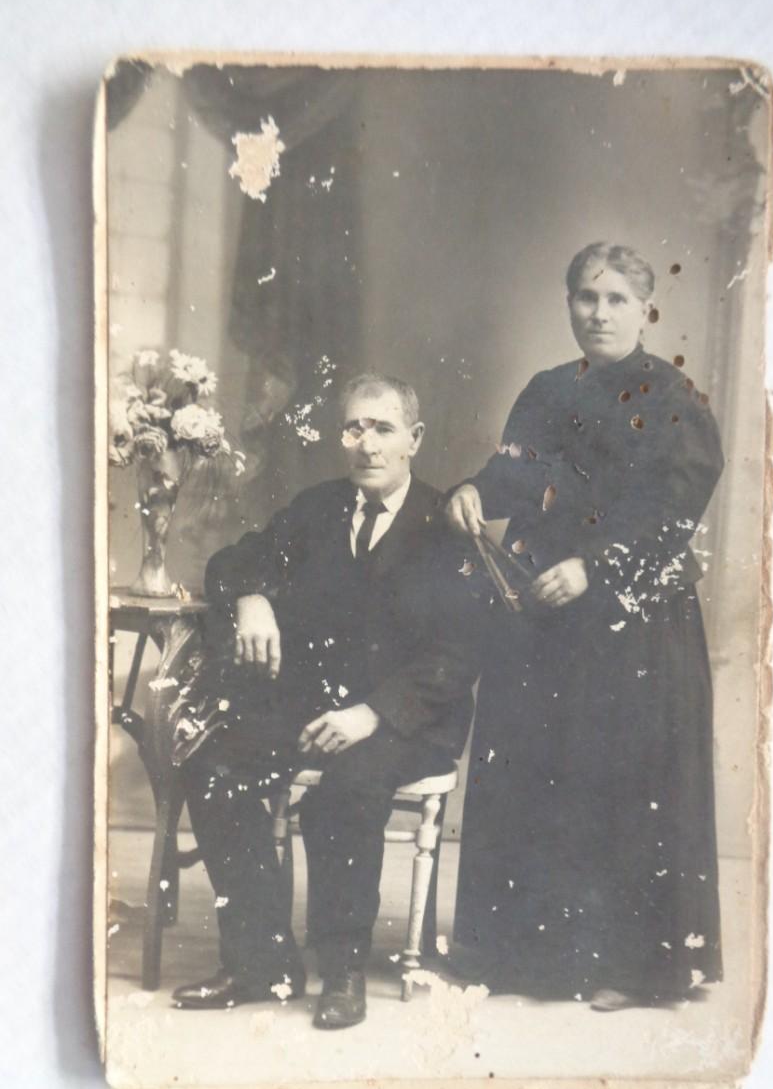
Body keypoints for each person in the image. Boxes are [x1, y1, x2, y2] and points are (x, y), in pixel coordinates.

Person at [446, 241, 725, 1009]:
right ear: (569, 303)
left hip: (634, 617)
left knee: (621, 779)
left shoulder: (676, 397)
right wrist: (473, 492)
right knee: (537, 766)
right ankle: (526, 957)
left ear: (645, 310)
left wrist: (594, 568)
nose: (598, 313)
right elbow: (512, 473)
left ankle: (631, 968)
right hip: (544, 609)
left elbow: (674, 506)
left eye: (615, 300)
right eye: (586, 298)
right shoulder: (545, 390)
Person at [173, 374, 481, 1028]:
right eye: (354, 428)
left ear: (414, 439)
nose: (367, 444)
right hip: (315, 707)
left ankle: (342, 970)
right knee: (214, 766)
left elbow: (459, 654)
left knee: (347, 787)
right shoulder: (318, 508)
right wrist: (252, 597)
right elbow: (230, 562)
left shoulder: (443, 526)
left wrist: (373, 714)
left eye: (384, 429)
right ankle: (262, 962)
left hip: (406, 720)